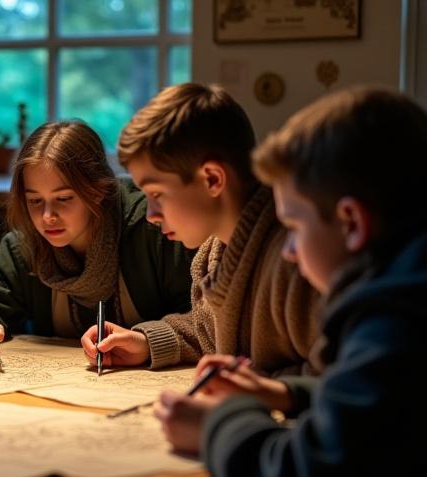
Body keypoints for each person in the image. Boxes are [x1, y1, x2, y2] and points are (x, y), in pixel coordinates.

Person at [154, 87, 427, 477]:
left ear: (351, 223)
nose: (289, 251)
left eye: (294, 227)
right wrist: (287, 394)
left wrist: (217, 425)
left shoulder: (403, 321)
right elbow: (389, 408)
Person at [81, 83, 322, 375]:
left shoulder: (299, 260)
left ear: (212, 179)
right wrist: (146, 342)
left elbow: (342, 376)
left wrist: (272, 388)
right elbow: (209, 332)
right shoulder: (211, 255)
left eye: (156, 194)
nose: (151, 215)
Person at [0, 119, 192, 355]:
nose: (47, 216)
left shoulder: (155, 229)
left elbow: (203, 317)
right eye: (35, 201)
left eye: (64, 198)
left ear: (98, 191)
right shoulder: (25, 247)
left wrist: (148, 341)